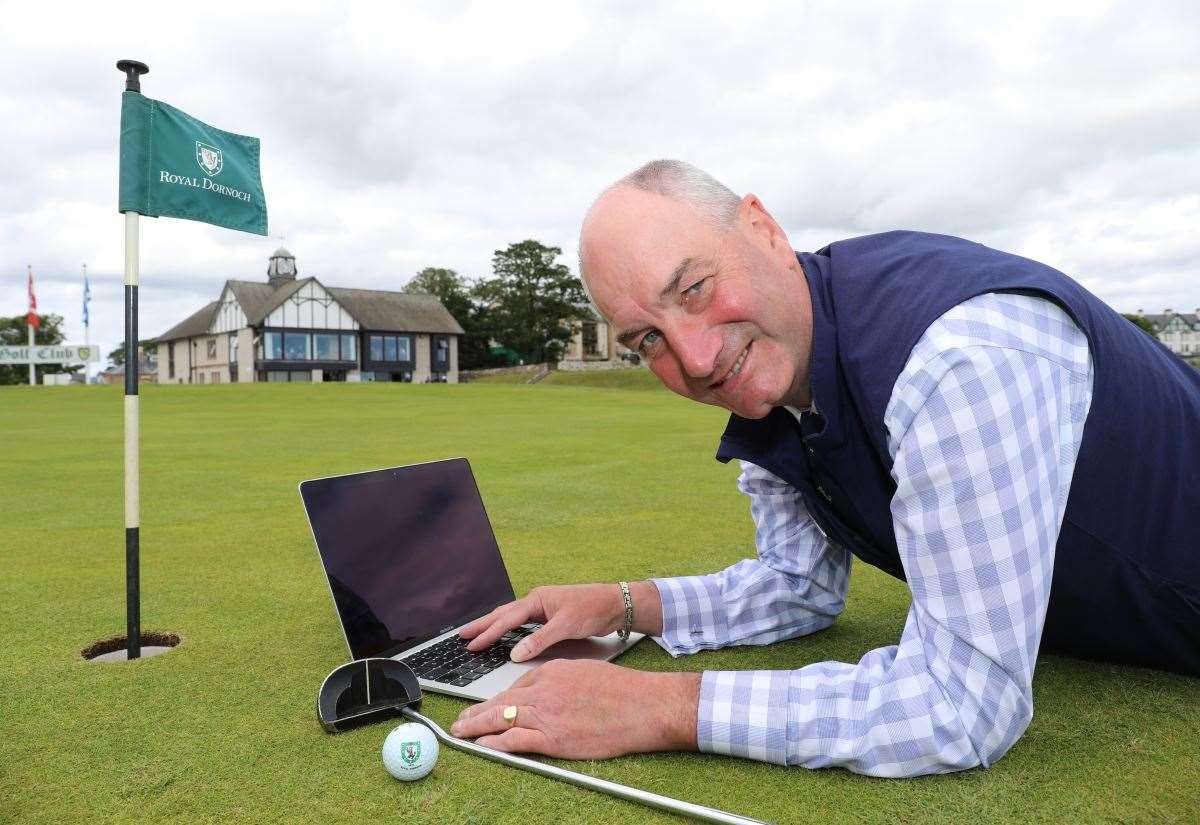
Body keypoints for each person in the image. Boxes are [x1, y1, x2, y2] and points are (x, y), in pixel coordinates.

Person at [450, 160, 1200, 777]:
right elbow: (800, 586)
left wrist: (654, 706)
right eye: (648, 338)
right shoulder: (774, 384)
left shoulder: (957, 355)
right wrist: (622, 604)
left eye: (696, 289)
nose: (697, 359)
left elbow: (960, 706)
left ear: (762, 228)